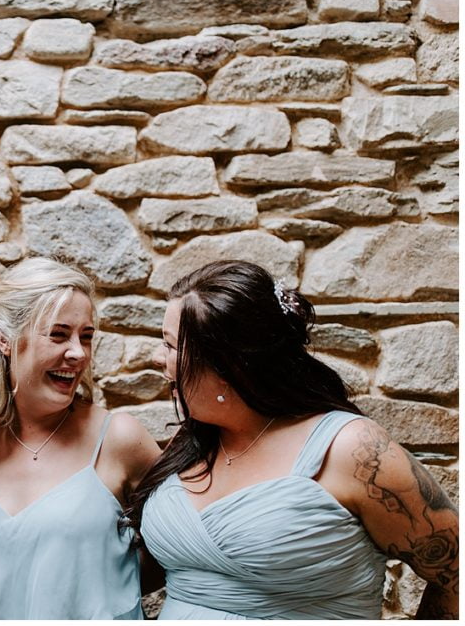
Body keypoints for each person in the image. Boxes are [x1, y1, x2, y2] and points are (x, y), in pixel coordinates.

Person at [131, 260, 458, 619]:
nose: (157, 357)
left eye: (171, 345)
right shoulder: (193, 442)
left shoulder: (352, 450)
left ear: (228, 366)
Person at [0, 257, 162, 619]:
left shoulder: (120, 439)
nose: (78, 353)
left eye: (87, 336)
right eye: (58, 334)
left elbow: (176, 546)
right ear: (5, 341)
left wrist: (101, 586)